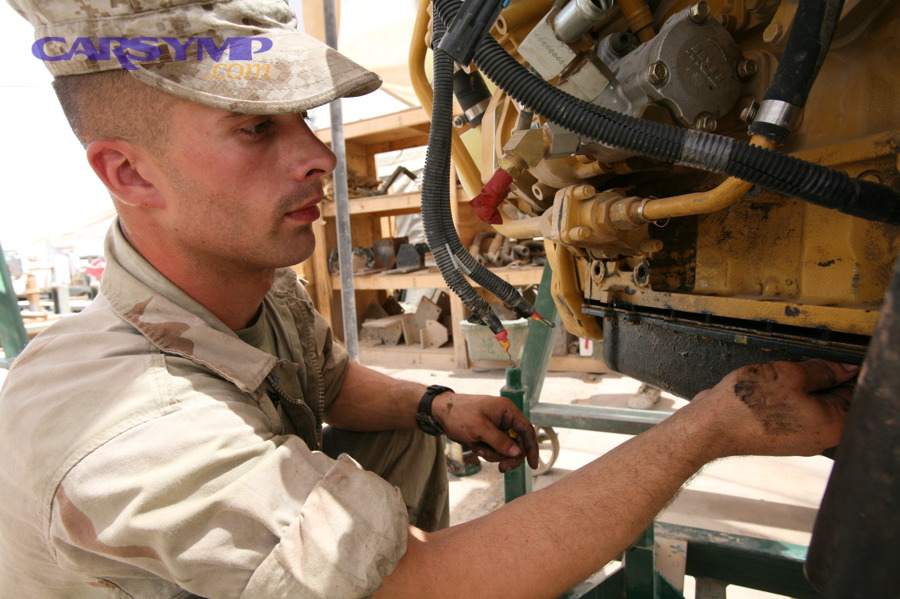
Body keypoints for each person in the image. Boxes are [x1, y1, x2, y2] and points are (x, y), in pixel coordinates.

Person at [0, 1, 857, 598]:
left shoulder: (249, 292)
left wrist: (438, 402)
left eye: (302, 119)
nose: (318, 158)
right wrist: (711, 425)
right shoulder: (131, 429)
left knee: (394, 431)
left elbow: (331, 384)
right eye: (257, 128)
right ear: (128, 173)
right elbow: (424, 586)